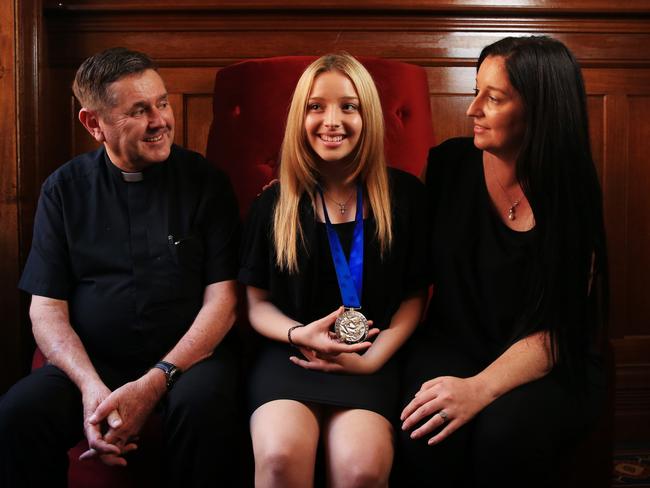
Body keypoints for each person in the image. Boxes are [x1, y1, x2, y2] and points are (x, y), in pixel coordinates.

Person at [0, 47, 241, 487]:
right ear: (94, 124)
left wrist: (156, 380)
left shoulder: (205, 181)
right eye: (139, 110)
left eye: (162, 102)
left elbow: (223, 300)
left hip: (187, 364)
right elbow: (46, 309)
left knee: (207, 406)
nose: (161, 121)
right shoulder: (63, 190)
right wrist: (92, 388)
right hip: (95, 364)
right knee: (19, 412)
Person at [397, 36, 608, 487]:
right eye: (476, 91)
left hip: (546, 357)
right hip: (451, 342)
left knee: (505, 435)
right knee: (429, 427)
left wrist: (478, 389)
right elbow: (390, 233)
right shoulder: (448, 165)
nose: (473, 109)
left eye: (492, 98)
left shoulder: (572, 188)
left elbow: (558, 328)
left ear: (539, 110)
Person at [239, 53, 428, 487]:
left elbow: (415, 296)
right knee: (280, 455)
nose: (332, 120)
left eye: (349, 106)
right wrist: (296, 334)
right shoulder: (274, 203)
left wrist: (373, 358)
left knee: (361, 469)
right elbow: (255, 303)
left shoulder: (406, 197)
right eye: (316, 106)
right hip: (290, 355)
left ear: (369, 116)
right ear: (300, 117)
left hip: (371, 358)